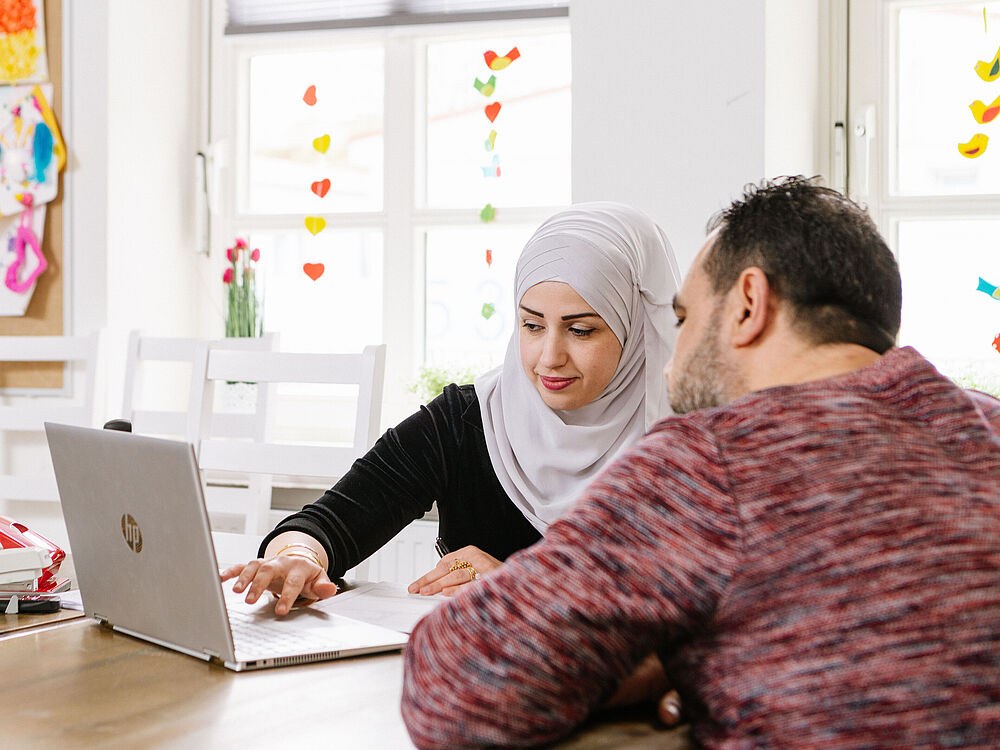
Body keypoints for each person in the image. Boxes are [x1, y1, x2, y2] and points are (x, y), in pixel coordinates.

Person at [400, 177, 1000, 749]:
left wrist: (665, 663)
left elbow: (453, 686)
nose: (668, 353)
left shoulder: (712, 463)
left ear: (748, 304)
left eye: (682, 317)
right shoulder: (987, 426)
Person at [222, 202, 681, 616]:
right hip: (462, 689)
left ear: (636, 330)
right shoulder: (466, 422)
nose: (549, 357)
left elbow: (688, 612)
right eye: (532, 325)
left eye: (580, 330)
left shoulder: (687, 451)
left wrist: (522, 587)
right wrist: (300, 557)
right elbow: (330, 522)